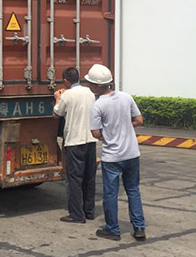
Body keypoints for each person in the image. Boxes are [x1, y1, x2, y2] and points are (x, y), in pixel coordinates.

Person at [86, 63, 146, 241]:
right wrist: (126, 126)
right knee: (133, 190)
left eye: (90, 83)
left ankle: (113, 229)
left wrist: (108, 134)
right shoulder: (126, 97)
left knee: (110, 194)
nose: (89, 86)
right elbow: (139, 120)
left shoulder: (98, 106)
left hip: (112, 157)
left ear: (97, 85)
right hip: (132, 154)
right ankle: (139, 228)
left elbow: (95, 133)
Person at [53, 67, 98, 223]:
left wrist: (57, 98)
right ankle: (89, 210)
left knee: (74, 179)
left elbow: (57, 113)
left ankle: (76, 214)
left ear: (65, 80)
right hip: (90, 140)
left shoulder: (67, 95)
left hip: (75, 142)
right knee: (89, 177)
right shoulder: (90, 93)